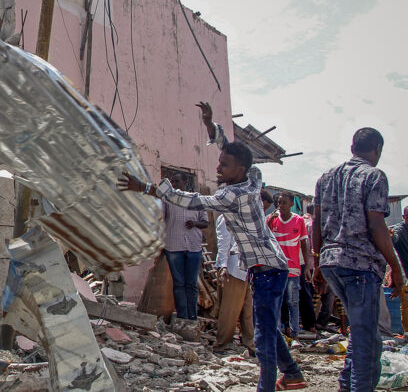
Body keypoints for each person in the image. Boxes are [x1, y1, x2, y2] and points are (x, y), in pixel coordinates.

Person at [119, 101, 304, 392]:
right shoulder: (253, 176)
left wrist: (145, 188)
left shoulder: (232, 195)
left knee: (264, 334)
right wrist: (210, 125)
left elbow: (189, 200)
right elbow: (230, 149)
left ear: (239, 169)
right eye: (220, 162)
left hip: (268, 269)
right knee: (268, 326)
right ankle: (293, 374)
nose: (218, 167)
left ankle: (267, 386)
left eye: (224, 165)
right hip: (268, 266)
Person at [312, 127, 404, 392]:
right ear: (377, 149)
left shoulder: (326, 177)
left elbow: (316, 222)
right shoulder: (374, 176)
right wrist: (395, 268)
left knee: (359, 334)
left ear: (352, 148)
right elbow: (377, 225)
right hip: (360, 266)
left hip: (332, 263)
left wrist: (317, 259)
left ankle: (345, 386)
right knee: (368, 342)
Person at [163, 171, 209, 323]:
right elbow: (161, 218)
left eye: (177, 181)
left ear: (185, 183)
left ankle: (192, 316)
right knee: (179, 283)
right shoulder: (168, 199)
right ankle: (182, 315)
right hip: (173, 245)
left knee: (191, 283)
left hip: (193, 246)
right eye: (173, 182)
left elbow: (205, 222)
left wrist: (194, 223)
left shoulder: (196, 199)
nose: (174, 185)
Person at [267, 193, 313, 342]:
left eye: (284, 203)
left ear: (291, 203)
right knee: (277, 301)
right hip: (275, 268)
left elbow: (304, 243)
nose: (281, 205)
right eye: (279, 202)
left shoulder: (298, 221)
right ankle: (278, 334)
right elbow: (265, 239)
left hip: (293, 268)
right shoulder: (271, 220)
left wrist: (305, 267)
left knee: (293, 301)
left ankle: (295, 334)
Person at [214, 214, 254, 354]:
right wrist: (223, 266)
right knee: (230, 310)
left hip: (244, 268)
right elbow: (223, 243)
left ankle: (251, 343)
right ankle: (222, 344)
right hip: (233, 268)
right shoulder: (226, 217)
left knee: (247, 309)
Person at [390, 206, 408, 332]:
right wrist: (389, 236)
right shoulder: (400, 230)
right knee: (406, 306)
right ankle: (407, 333)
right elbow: (393, 237)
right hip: (405, 275)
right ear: (404, 217)